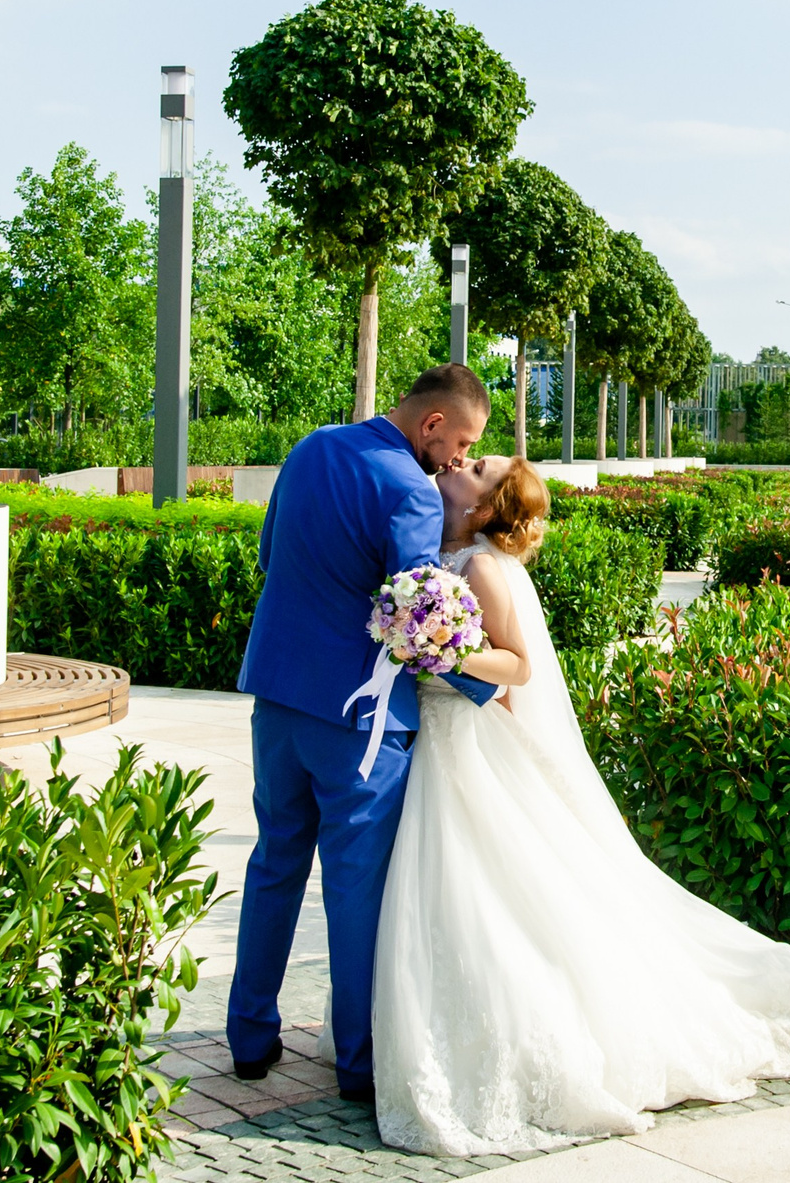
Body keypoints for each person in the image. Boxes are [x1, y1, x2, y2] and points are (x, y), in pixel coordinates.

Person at [369, 453, 790, 1156]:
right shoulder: (436, 552)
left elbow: (516, 669)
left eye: (477, 466)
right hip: (437, 744)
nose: (461, 463)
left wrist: (440, 644)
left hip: (470, 743)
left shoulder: (480, 568)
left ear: (482, 509)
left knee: (482, 892)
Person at [226, 365, 504, 1098]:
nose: (457, 460)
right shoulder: (410, 489)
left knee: (274, 862)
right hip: (358, 721)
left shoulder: (310, 446)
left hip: (277, 696)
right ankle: (359, 1064)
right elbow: (418, 617)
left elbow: (267, 558)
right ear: (433, 423)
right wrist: (487, 685)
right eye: (463, 441)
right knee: (355, 890)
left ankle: (249, 1036)